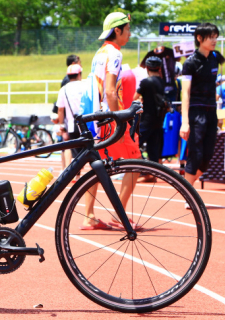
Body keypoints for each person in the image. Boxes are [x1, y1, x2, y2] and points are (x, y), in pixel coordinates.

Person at [82, 12, 141, 230]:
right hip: (108, 118)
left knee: (97, 166)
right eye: (127, 29)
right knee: (136, 160)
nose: (130, 33)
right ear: (118, 30)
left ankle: (89, 215)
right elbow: (110, 91)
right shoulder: (115, 54)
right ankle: (120, 214)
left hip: (97, 118)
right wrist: (119, 120)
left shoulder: (100, 52)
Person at [179, 23, 225, 200]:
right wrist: (185, 121)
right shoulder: (190, 63)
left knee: (207, 157)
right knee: (196, 154)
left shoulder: (215, 58)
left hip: (211, 112)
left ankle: (186, 187)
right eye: (211, 37)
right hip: (196, 111)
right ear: (200, 38)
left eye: (216, 36)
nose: (214, 40)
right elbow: (185, 92)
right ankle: (188, 194)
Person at [134, 56, 167, 176]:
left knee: (135, 144)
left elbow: (135, 97)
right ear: (159, 68)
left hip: (146, 119)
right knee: (153, 148)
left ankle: (143, 169)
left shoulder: (146, 82)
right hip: (159, 119)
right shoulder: (163, 82)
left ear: (147, 68)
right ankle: (152, 174)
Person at [56, 64, 84, 171]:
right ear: (79, 74)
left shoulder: (63, 89)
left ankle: (75, 174)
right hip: (87, 123)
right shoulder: (85, 86)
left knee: (74, 150)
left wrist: (62, 126)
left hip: (72, 125)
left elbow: (60, 110)